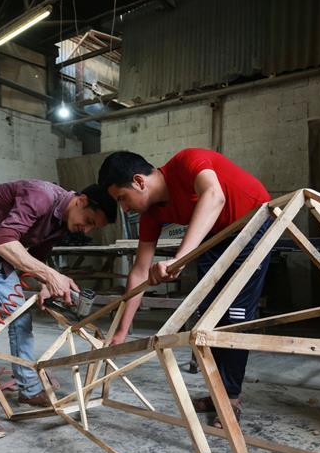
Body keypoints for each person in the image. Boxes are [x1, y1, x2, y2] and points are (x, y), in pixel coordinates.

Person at [97, 149, 271, 427]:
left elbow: (214, 195)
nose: (125, 209)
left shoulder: (186, 161)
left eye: (122, 198)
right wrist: (121, 332)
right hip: (216, 234)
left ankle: (230, 398)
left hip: (252, 221)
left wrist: (180, 259)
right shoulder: (152, 215)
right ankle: (218, 393)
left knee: (234, 316)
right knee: (209, 316)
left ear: (139, 181)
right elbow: (139, 271)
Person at [0, 179, 117, 440]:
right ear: (80, 201)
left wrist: (45, 283)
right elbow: (4, 241)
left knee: (21, 316)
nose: (87, 229)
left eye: (93, 227)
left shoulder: (62, 222)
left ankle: (29, 389)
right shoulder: (41, 196)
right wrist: (50, 275)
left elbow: (37, 256)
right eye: (89, 220)